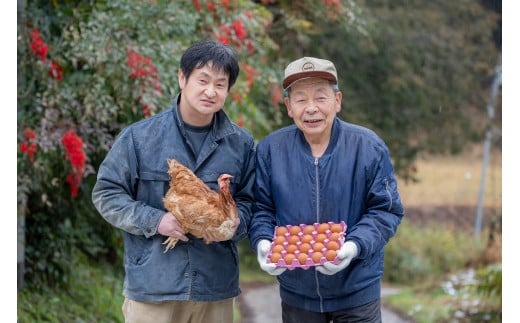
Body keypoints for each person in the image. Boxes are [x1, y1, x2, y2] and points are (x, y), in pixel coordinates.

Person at [92, 39, 256, 323]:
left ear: (228, 89)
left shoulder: (240, 145)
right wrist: (156, 221)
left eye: (220, 84)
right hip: (154, 287)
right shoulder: (140, 138)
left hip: (214, 289)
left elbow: (253, 203)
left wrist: (232, 223)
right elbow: (107, 193)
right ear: (182, 77)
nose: (210, 91)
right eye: (202, 80)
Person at [248, 56, 405, 323]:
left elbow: (385, 211)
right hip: (297, 292)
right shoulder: (271, 150)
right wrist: (263, 241)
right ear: (288, 106)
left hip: (357, 290)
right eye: (300, 99)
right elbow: (260, 208)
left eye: (321, 97)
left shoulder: (367, 147)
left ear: (338, 101)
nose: (311, 109)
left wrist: (353, 246)